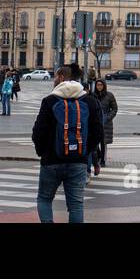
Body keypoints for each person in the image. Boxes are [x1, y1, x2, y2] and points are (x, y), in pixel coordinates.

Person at [32, 64, 103, 223]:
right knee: (76, 205)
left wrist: (42, 152)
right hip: (78, 161)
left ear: (62, 77)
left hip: (51, 160)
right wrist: (85, 151)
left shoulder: (49, 101)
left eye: (56, 76)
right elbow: (98, 132)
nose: (54, 79)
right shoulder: (90, 101)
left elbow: (38, 131)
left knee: (44, 199)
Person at [93, 79, 118, 168]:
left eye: (101, 85)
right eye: (97, 85)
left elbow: (114, 109)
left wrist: (108, 117)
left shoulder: (109, 95)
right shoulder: (93, 95)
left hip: (105, 122)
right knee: (95, 142)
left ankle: (103, 160)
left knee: (103, 143)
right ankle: (98, 157)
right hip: (95, 122)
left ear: (104, 86)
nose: (99, 87)